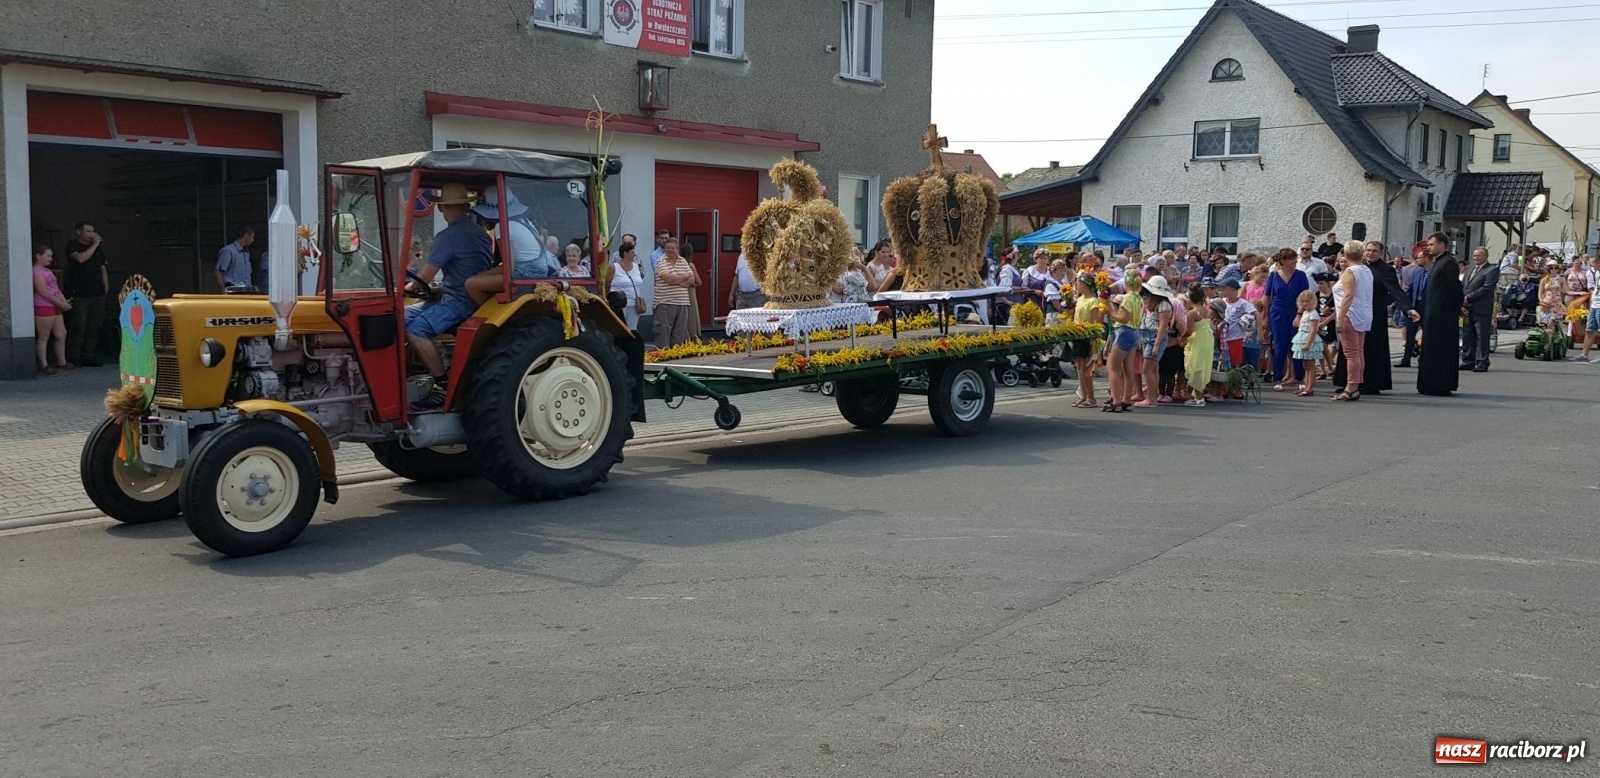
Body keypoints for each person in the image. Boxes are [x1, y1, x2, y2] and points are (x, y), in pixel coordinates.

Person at [401, 184, 494, 410]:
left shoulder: (448, 236)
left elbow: (424, 276)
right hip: (462, 296)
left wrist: (404, 289)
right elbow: (469, 271)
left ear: (442, 208)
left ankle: (442, 384)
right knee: (400, 317)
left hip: (459, 302)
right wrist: (436, 290)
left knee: (415, 330)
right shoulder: (481, 234)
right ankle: (409, 378)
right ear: (465, 206)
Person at [1332, 241, 1415, 394]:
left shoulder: (1385, 270)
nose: (1370, 253)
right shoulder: (1360, 268)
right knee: (1353, 351)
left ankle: (1370, 383)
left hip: (1375, 314)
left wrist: (1408, 309)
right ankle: (1349, 381)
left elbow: (1395, 291)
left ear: (1381, 253)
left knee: (1370, 350)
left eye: (1374, 251)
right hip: (1356, 311)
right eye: (1368, 250)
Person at [463, 189, 557, 305]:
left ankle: (491, 312)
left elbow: (508, 267)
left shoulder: (502, 227)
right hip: (540, 271)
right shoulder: (524, 221)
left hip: (524, 276)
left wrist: (480, 275)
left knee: (471, 284)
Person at [1417, 232, 1464, 396]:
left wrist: (1458, 308)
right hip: (1433, 314)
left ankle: (1439, 384)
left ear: (1442, 245)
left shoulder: (1449, 263)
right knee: (1430, 350)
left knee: (1441, 351)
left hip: (1443, 316)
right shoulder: (1439, 262)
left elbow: (1454, 289)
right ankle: (1428, 383)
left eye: (1431, 244)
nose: (1428, 247)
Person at [61, 221, 109, 367]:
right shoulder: (72, 245)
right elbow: (80, 259)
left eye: (93, 231)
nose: (91, 234)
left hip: (97, 293)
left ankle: (89, 355)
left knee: (94, 326)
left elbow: (102, 268)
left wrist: (105, 288)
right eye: (88, 231)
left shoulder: (98, 249)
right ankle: (74, 356)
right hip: (80, 293)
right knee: (79, 326)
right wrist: (94, 245)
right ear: (78, 232)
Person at [1331, 241, 1374, 402]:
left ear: (1346, 254)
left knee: (1351, 353)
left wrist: (1340, 318)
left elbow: (1348, 296)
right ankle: (1355, 385)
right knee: (1358, 352)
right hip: (1363, 313)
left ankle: (1350, 387)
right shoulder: (1367, 270)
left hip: (1351, 314)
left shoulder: (1350, 271)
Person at [1263, 248, 1310, 389]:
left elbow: (1304, 297)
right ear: (1282, 261)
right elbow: (1267, 297)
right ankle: (1277, 379)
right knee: (1279, 346)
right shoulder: (1273, 275)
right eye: (1291, 259)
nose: (1295, 261)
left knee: (1296, 345)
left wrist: (1299, 315)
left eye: (1295, 258)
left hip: (1295, 310)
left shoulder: (1301, 275)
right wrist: (1265, 317)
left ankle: (1299, 378)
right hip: (1277, 312)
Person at [1133, 276, 1176, 408]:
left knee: (1147, 368)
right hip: (1148, 336)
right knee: (1153, 369)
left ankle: (1151, 398)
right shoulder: (1154, 304)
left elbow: (1163, 326)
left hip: (1154, 338)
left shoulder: (1164, 305)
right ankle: (1153, 397)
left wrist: (1156, 345)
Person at [32, 245, 73, 376]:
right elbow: (42, 291)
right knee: (44, 336)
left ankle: (62, 362)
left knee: (61, 334)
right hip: (44, 305)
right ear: (38, 256)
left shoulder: (47, 271)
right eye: (48, 256)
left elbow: (55, 288)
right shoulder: (36, 271)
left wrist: (63, 301)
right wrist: (59, 303)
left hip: (55, 305)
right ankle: (44, 365)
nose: (51, 259)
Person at [652, 237, 699, 348]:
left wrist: (678, 279)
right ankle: (664, 357)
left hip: (682, 303)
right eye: (668, 248)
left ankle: (676, 357)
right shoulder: (661, 261)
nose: (670, 250)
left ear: (677, 249)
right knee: (663, 333)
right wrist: (684, 277)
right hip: (665, 303)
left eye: (672, 248)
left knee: (680, 333)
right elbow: (667, 278)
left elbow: (692, 279)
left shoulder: (682, 261)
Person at [1459, 247, 1500, 372]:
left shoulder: (1491, 270)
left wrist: (1468, 298)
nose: (1476, 258)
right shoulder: (1469, 270)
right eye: (1475, 255)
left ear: (1486, 256)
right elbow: (1463, 286)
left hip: (1481, 308)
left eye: (1479, 256)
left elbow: (1487, 288)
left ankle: (1482, 362)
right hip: (1467, 309)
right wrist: (1461, 301)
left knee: (1481, 335)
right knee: (1467, 335)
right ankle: (1468, 360)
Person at [1071, 273, 1106, 408]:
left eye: (1078, 283)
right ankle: (1083, 396)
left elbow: (1095, 322)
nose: (1076, 286)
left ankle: (1091, 398)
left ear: (1084, 284)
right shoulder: (1080, 299)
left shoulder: (1093, 301)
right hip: (1078, 336)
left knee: (1086, 370)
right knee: (1079, 369)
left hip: (1088, 338)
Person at [1180, 286, 1215, 407]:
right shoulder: (1206, 310)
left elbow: (1189, 331)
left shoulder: (1192, 313)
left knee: (1194, 365)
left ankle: (1199, 397)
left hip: (1197, 340)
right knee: (1201, 365)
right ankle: (1197, 395)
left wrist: (1182, 337)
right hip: (1206, 339)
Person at [1290, 290, 1324, 397]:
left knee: (1310, 365)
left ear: (1313, 302)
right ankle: (1306, 386)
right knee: (1306, 366)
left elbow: (1314, 329)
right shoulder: (1305, 312)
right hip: (1302, 336)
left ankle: (1309, 388)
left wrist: (1308, 344)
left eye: (1307, 302)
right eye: (1303, 302)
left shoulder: (1313, 314)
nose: (1305, 304)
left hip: (1309, 338)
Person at [610, 239, 647, 331]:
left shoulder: (636, 267)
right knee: (619, 330)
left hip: (634, 305)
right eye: (632, 252)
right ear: (625, 254)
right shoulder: (614, 267)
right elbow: (607, 284)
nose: (634, 254)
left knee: (632, 330)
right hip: (619, 305)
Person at [214, 226, 256, 292]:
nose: (253, 240)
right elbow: (218, 272)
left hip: (246, 290)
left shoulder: (246, 253)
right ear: (246, 236)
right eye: (252, 237)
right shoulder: (228, 251)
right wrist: (223, 290)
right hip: (232, 290)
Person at [1582, 254, 1600, 362]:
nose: (1593, 266)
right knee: (1590, 330)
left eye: (1594, 264)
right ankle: (1584, 355)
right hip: (1595, 304)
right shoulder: (1597, 273)